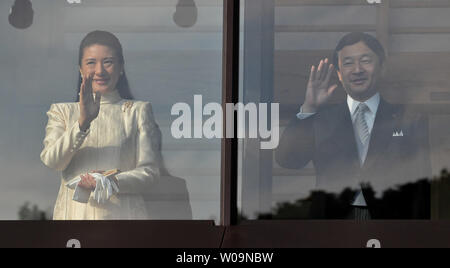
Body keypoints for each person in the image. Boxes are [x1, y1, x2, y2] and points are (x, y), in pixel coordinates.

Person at [276, 32, 431, 220]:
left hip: (391, 222)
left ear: (382, 67)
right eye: (348, 63)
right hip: (332, 224)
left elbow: (421, 185)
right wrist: (309, 108)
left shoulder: (408, 119)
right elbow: (288, 160)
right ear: (339, 74)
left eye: (366, 60)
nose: (357, 69)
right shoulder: (322, 119)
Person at [40, 30, 162, 220]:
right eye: (91, 63)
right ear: (80, 69)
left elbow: (150, 172)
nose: (99, 71)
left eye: (108, 62)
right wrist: (83, 123)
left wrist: (110, 181)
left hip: (124, 219)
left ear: (121, 67)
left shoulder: (137, 111)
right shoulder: (62, 111)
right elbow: (52, 160)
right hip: (74, 219)